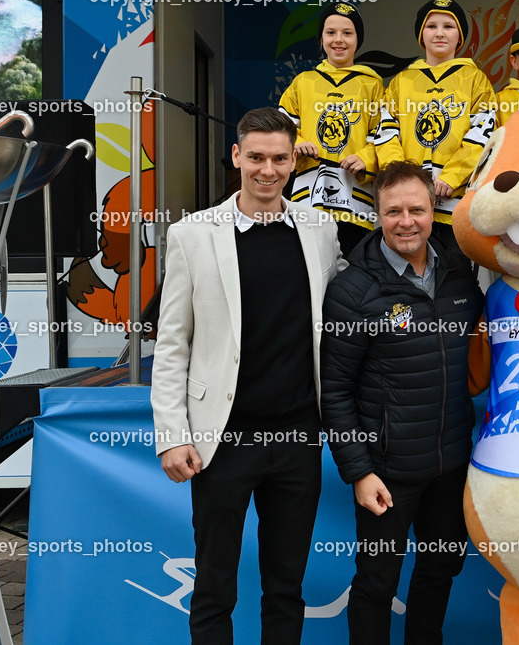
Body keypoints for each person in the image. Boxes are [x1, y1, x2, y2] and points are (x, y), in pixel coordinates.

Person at [151, 107, 344, 644]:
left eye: (280, 158)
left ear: (294, 162)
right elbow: (172, 345)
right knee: (215, 586)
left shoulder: (320, 230)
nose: (268, 169)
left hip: (298, 436)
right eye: (256, 157)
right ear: (236, 156)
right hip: (222, 439)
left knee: (286, 588)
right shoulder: (193, 235)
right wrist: (173, 435)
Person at [319, 160, 483, 644]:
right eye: (394, 211)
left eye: (417, 209)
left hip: (451, 464)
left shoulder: (458, 274)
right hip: (385, 473)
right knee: (376, 584)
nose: (406, 221)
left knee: (440, 570)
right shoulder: (352, 290)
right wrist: (359, 472)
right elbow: (334, 390)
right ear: (376, 214)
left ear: (434, 211)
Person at [377, 0, 496, 257]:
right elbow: (386, 132)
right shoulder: (401, 81)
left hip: (453, 201)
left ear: (460, 36)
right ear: (421, 35)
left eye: (449, 26)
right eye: (431, 26)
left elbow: (483, 135)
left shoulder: (475, 79)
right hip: (407, 204)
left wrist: (451, 178)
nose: (440, 33)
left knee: (453, 278)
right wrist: (401, 178)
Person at [279, 1, 385, 255]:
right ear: (321, 38)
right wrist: (295, 141)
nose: (339, 40)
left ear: (358, 39)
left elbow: (385, 133)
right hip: (309, 197)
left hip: (356, 199)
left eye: (347, 33)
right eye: (331, 32)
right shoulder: (303, 82)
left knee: (355, 270)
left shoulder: (372, 85)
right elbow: (280, 128)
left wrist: (365, 158)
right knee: (310, 268)